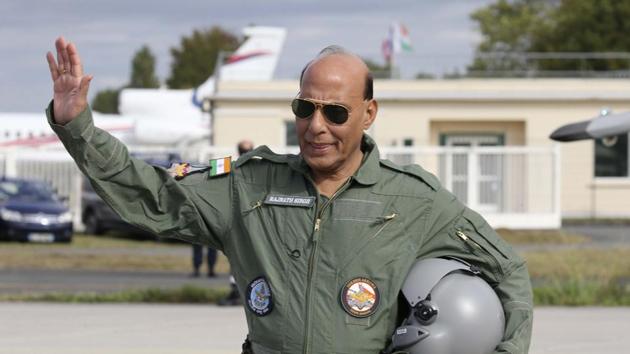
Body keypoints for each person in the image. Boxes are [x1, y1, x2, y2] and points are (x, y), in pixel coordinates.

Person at [46, 38, 533, 353]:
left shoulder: (414, 200)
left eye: (335, 113)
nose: (316, 126)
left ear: (369, 113)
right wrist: (77, 126)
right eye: (305, 108)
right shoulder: (249, 186)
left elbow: (506, 271)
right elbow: (148, 194)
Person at [219, 139, 254, 305]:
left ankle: (239, 292)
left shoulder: (229, 165)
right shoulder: (258, 165)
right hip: (241, 218)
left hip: (245, 219)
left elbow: (205, 169)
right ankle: (237, 291)